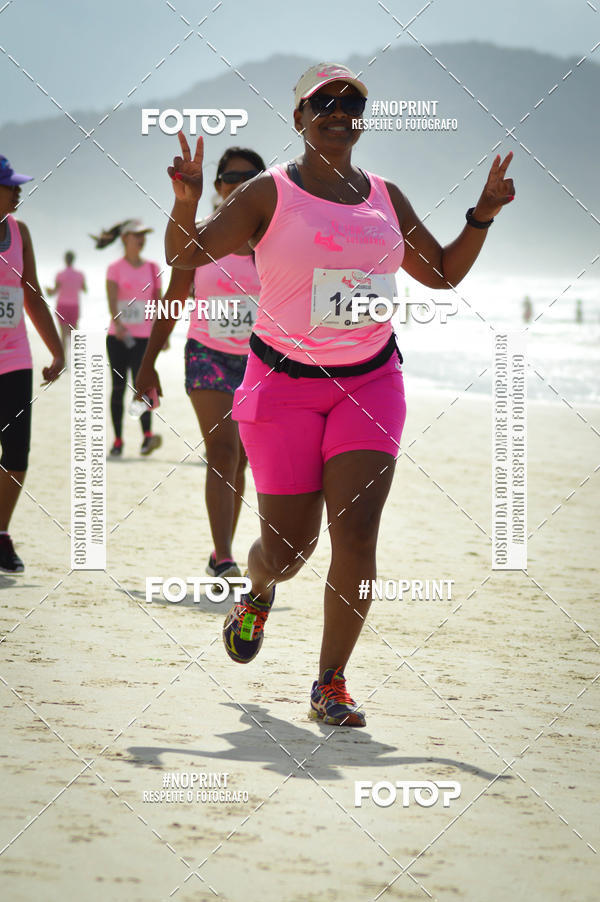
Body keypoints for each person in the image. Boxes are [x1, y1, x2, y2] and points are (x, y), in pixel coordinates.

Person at [165, 62, 515, 726]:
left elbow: (440, 272)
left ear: (361, 117)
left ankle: (331, 682)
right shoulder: (268, 194)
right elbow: (189, 256)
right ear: (298, 118)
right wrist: (186, 202)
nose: (336, 109)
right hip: (281, 386)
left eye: (350, 101)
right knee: (289, 552)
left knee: (355, 535)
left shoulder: (386, 195)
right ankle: (258, 588)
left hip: (370, 381)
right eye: (320, 101)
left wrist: (482, 216)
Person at [136, 147, 266, 580]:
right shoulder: (202, 237)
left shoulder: (275, 240)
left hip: (259, 362)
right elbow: (173, 300)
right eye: (231, 176)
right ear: (218, 185)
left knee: (242, 461)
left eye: (252, 176)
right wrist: (148, 361)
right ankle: (226, 556)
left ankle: (219, 557)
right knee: (223, 453)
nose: (241, 183)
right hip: (206, 355)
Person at [0, 156, 65, 573]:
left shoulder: (19, 233)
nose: (19, 190)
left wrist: (57, 350)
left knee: (17, 454)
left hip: (16, 359)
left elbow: (33, 294)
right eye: (11, 185)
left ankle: (1, 533)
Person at [95, 219, 163, 457]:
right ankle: (118, 440)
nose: (142, 239)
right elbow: (112, 302)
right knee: (118, 388)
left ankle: (146, 437)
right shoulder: (115, 268)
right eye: (137, 235)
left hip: (144, 338)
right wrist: (120, 325)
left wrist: (161, 335)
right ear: (125, 239)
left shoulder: (153, 268)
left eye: (144, 235)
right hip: (118, 338)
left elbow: (158, 303)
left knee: (143, 387)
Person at [46, 251, 87, 364]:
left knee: (63, 334)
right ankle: (77, 360)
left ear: (65, 260)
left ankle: (62, 361)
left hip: (62, 306)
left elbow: (54, 291)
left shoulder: (60, 274)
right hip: (74, 306)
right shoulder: (80, 275)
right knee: (74, 333)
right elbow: (85, 289)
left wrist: (48, 290)